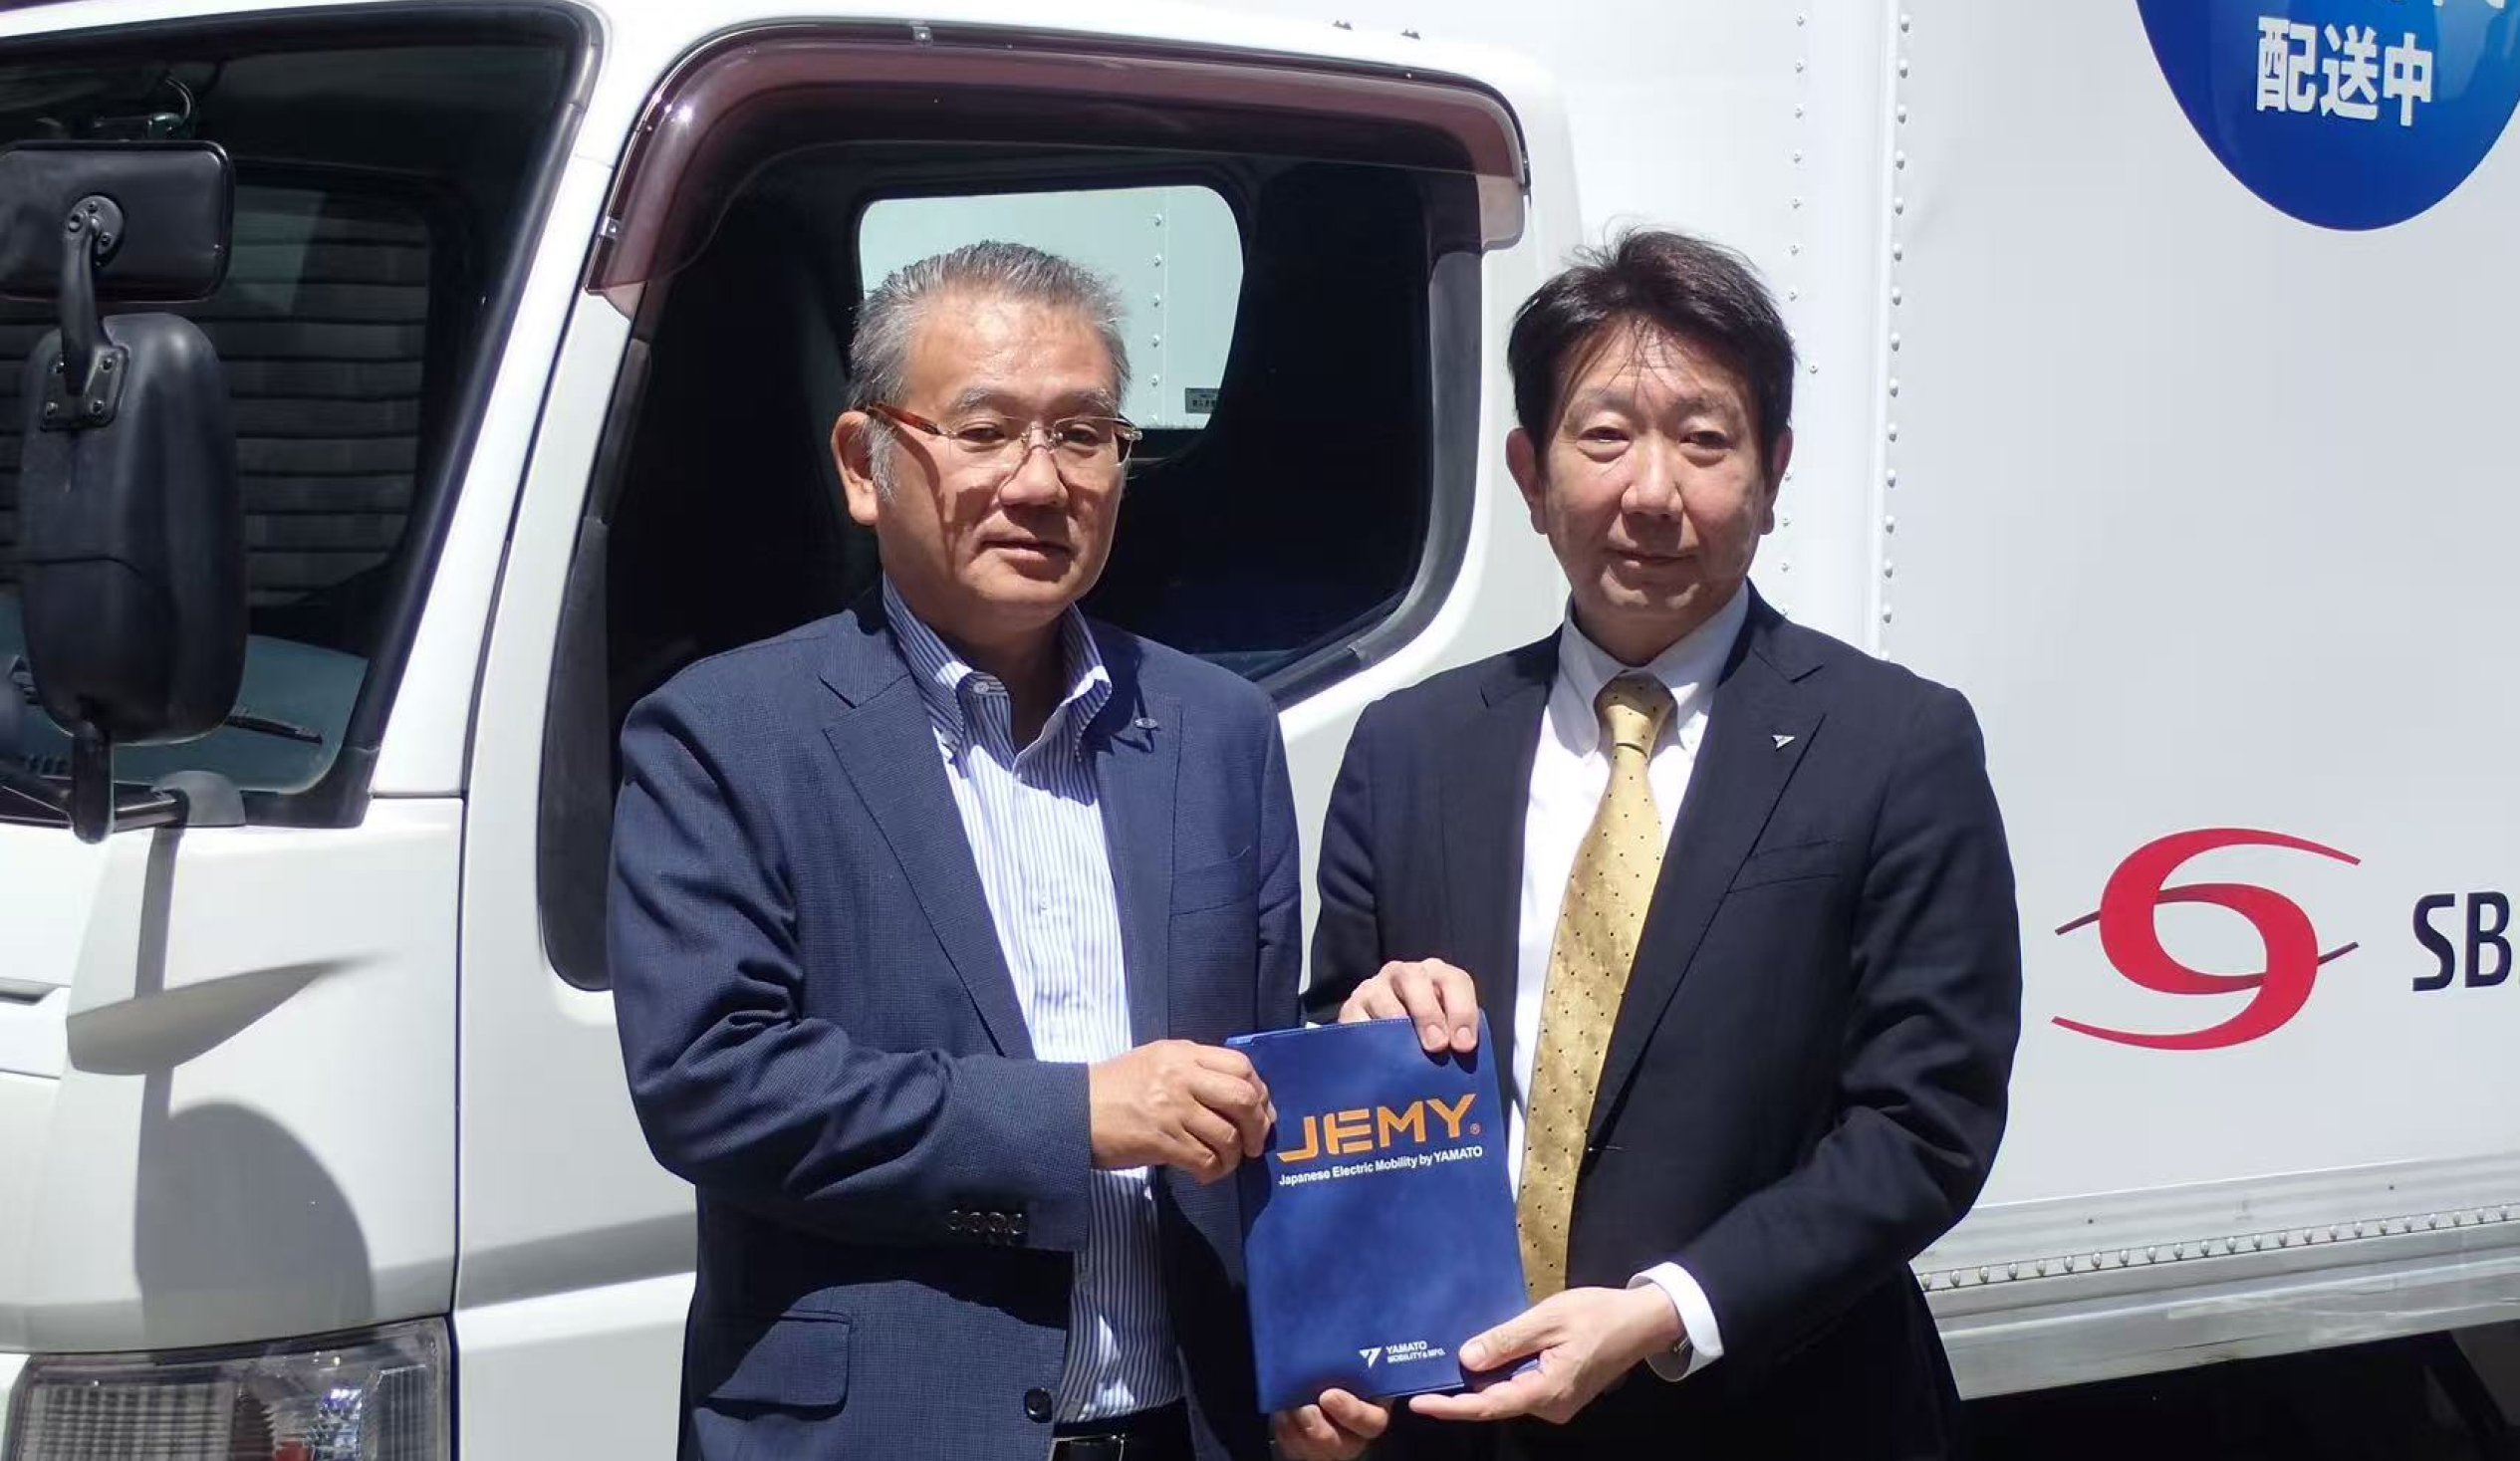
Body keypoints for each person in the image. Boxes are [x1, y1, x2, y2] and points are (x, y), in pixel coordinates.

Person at [1296, 229, 2023, 1459]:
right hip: (1459, 1421)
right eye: (1603, 436)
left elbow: (1925, 1123)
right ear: (1529, 474)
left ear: (1772, 473)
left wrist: (1665, 1311)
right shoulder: (1410, 746)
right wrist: (1360, 1031)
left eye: (1703, 440)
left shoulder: (1896, 744)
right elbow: (1331, 1055)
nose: (1650, 491)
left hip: (1777, 1417)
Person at [609, 241, 1299, 1461]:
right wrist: (1072, 1118)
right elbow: (712, 1082)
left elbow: (1260, 1076)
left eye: (1083, 435)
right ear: (863, 464)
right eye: (984, 432)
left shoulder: (1217, 730)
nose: (1040, 482)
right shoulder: (726, 734)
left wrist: (1365, 1037)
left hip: (1183, 1427)